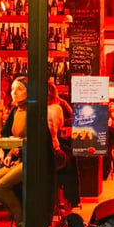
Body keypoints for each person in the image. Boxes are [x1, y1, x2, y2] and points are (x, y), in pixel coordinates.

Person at [0, 76, 28, 227]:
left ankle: (21, 224)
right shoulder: (14, 111)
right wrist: (7, 152)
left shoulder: (33, 111)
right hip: (17, 158)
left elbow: (35, 139)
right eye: (12, 89)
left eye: (19, 89)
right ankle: (16, 216)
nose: (14, 92)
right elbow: (6, 135)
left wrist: (14, 151)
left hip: (30, 159)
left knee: (1, 186)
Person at [49, 82, 80, 210]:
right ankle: (69, 201)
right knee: (70, 157)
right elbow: (63, 123)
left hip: (46, 153)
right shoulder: (57, 109)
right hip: (53, 153)